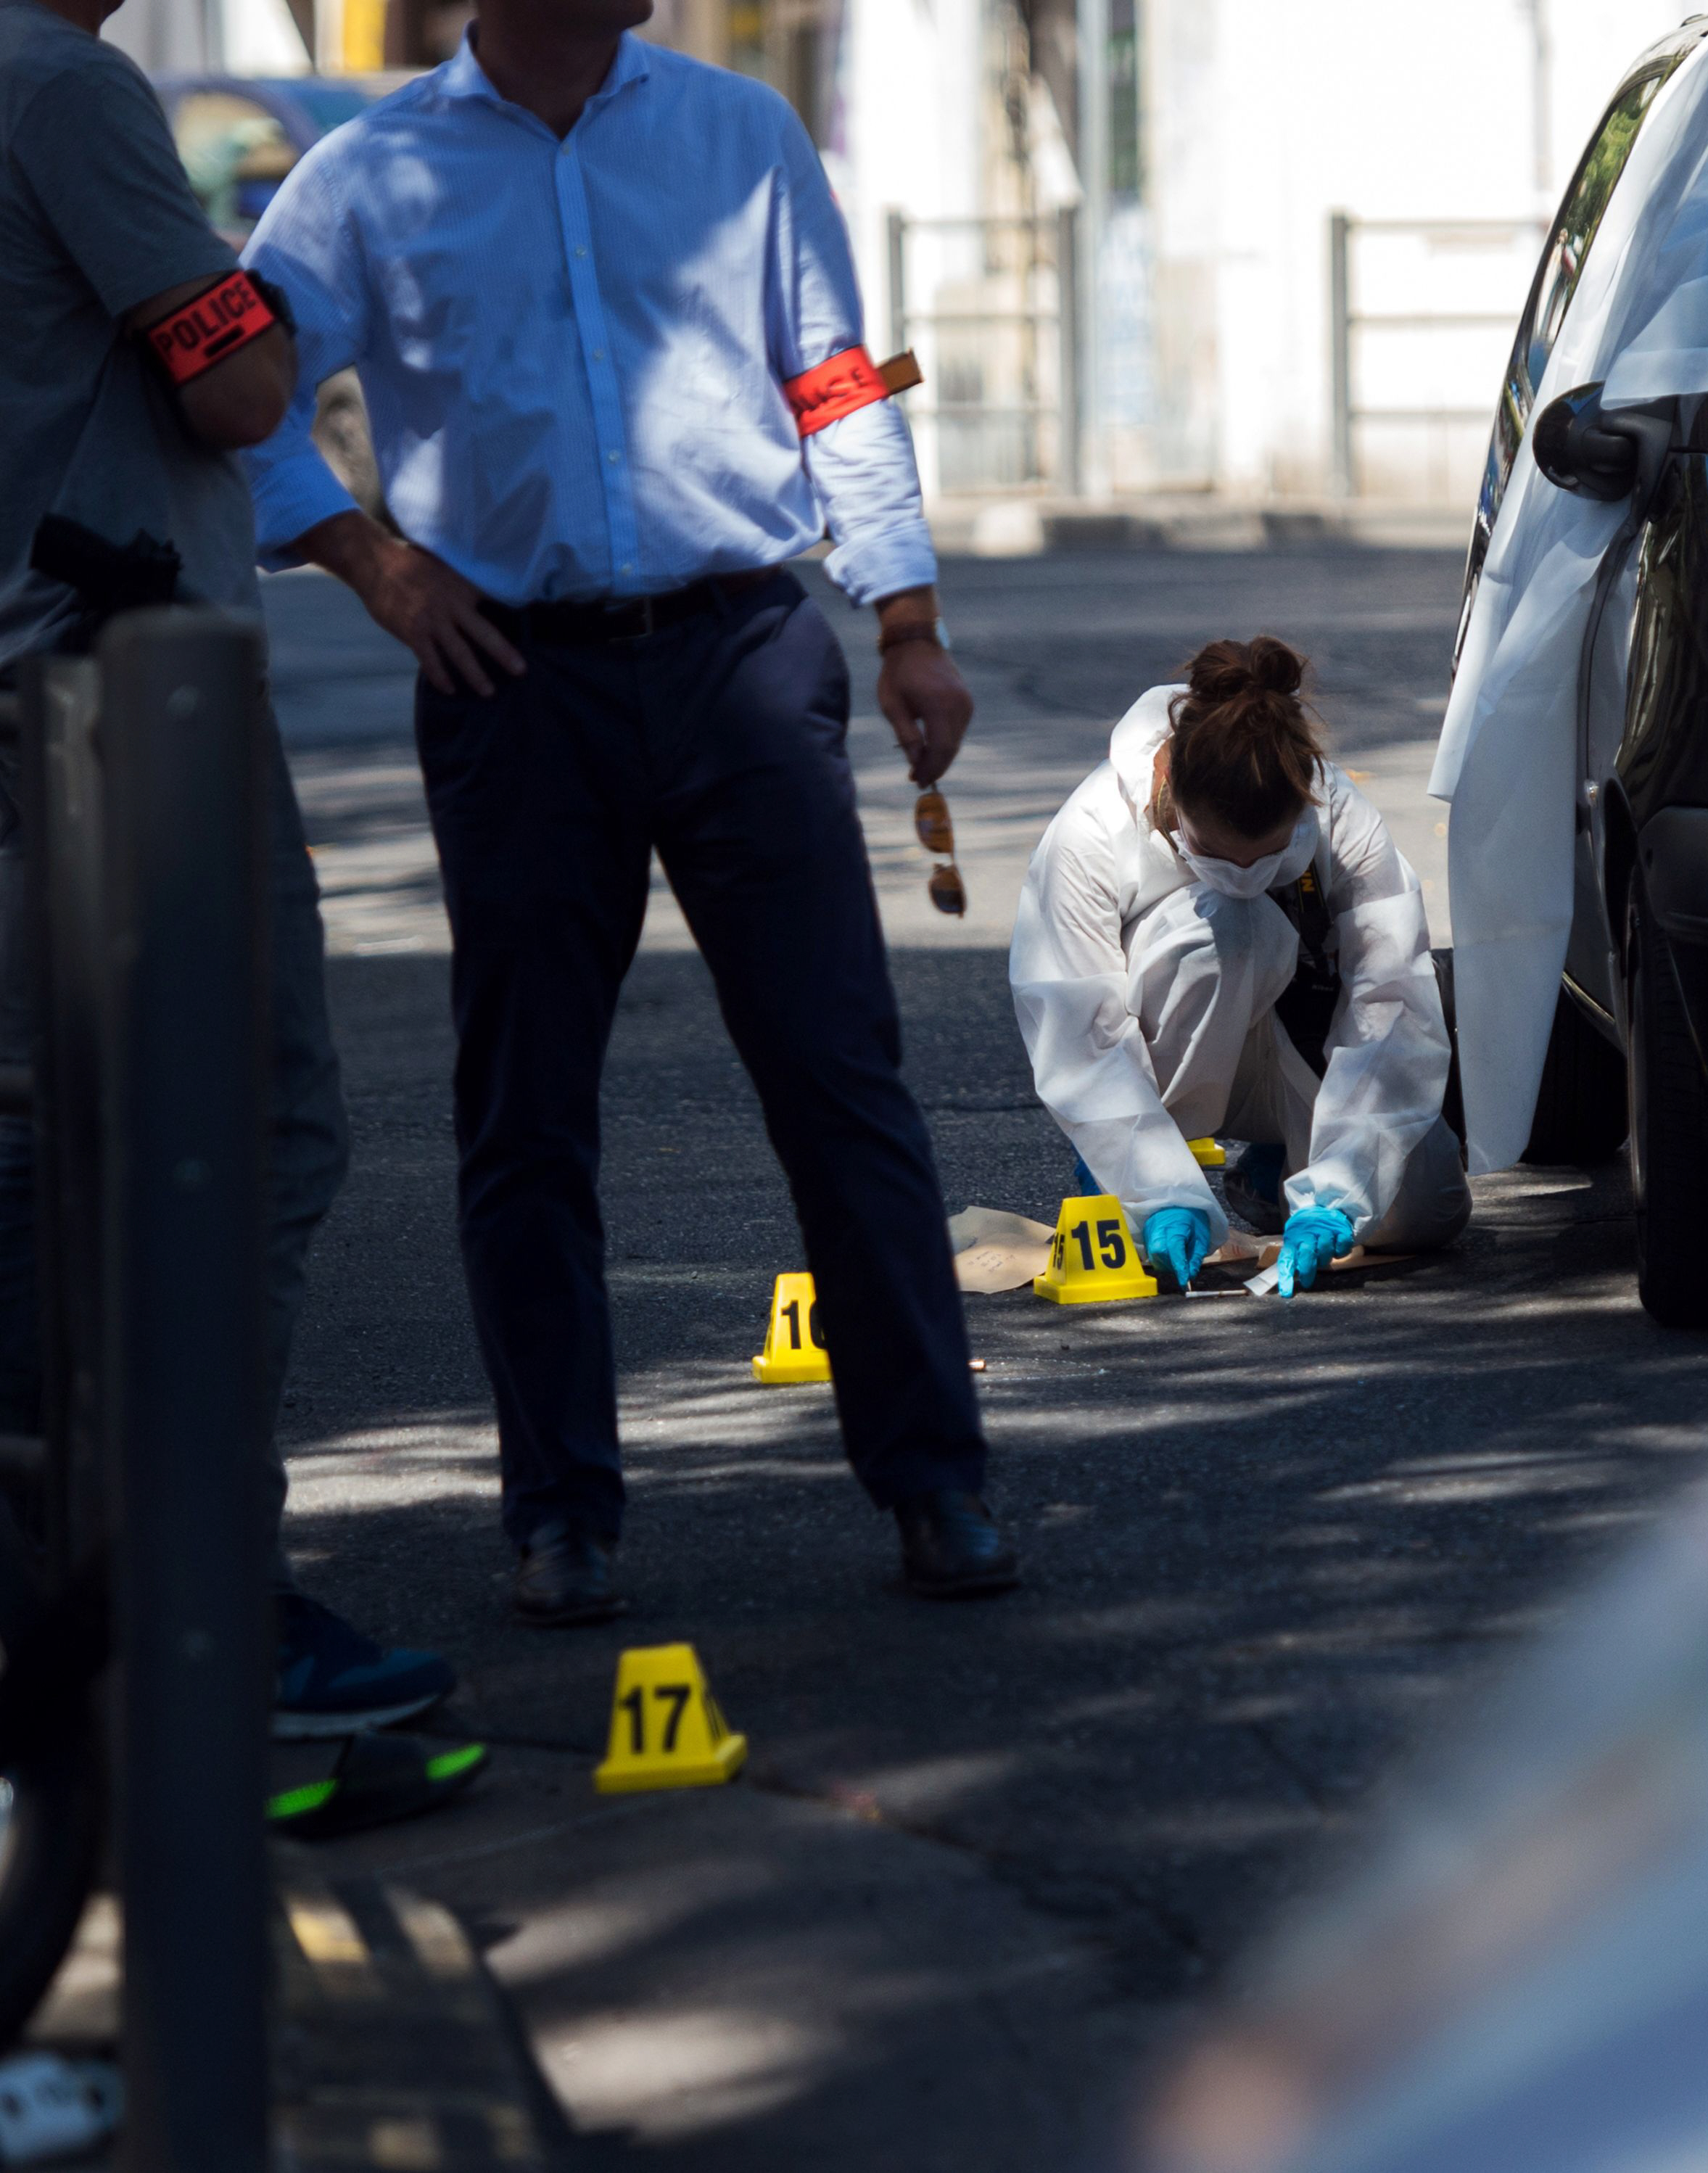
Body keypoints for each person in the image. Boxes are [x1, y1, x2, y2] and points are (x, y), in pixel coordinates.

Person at [237, 0, 1016, 1618]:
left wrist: (907, 618)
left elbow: (835, 379)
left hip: (740, 648)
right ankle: (561, 1512)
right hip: (514, 681)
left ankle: (938, 1476)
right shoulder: (365, 176)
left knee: (838, 1070)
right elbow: (229, 410)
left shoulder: (742, 136)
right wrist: (375, 562)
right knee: (525, 1109)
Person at [0, 0, 454, 1731]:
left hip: (44, 691)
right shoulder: (64, 86)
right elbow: (244, 386)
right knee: (240, 1131)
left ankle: (75, 1606)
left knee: (55, 1145)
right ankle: (185, 1615)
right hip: (122, 696)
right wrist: (241, 292)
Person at [1012, 638, 1469, 1299]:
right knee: (1230, 924)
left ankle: (1278, 1169)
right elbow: (1079, 1031)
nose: (1245, 874)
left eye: (1271, 857)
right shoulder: (1090, 833)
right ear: (1165, 779)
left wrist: (1340, 1190)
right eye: (1214, 855)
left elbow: (1391, 1001)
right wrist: (1152, 1187)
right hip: (1173, 1052)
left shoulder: (1339, 813)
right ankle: (1135, 1175)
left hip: (1294, 1034)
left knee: (1422, 1211)